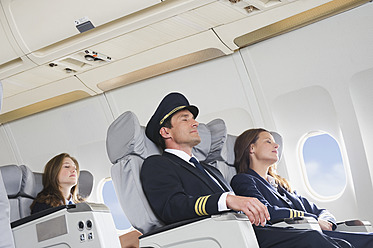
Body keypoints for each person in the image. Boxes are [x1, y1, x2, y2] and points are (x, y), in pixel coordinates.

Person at [140, 92, 352, 248]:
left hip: (248, 229)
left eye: (193, 118)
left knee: (340, 241)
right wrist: (228, 200)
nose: (195, 123)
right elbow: (171, 207)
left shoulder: (210, 170)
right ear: (165, 131)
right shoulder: (157, 165)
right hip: (220, 236)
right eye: (185, 119)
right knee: (312, 240)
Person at [231, 128, 373, 248]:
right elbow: (266, 211)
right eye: (268, 141)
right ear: (252, 148)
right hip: (292, 235)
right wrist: (314, 220)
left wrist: (327, 221)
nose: (276, 146)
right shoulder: (244, 180)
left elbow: (321, 211)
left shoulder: (281, 186)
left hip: (317, 230)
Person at [31, 153, 142, 248]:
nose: (73, 170)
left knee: (136, 237)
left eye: (74, 168)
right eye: (66, 166)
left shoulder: (81, 205)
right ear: (54, 172)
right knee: (134, 237)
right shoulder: (43, 205)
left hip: (92, 243)